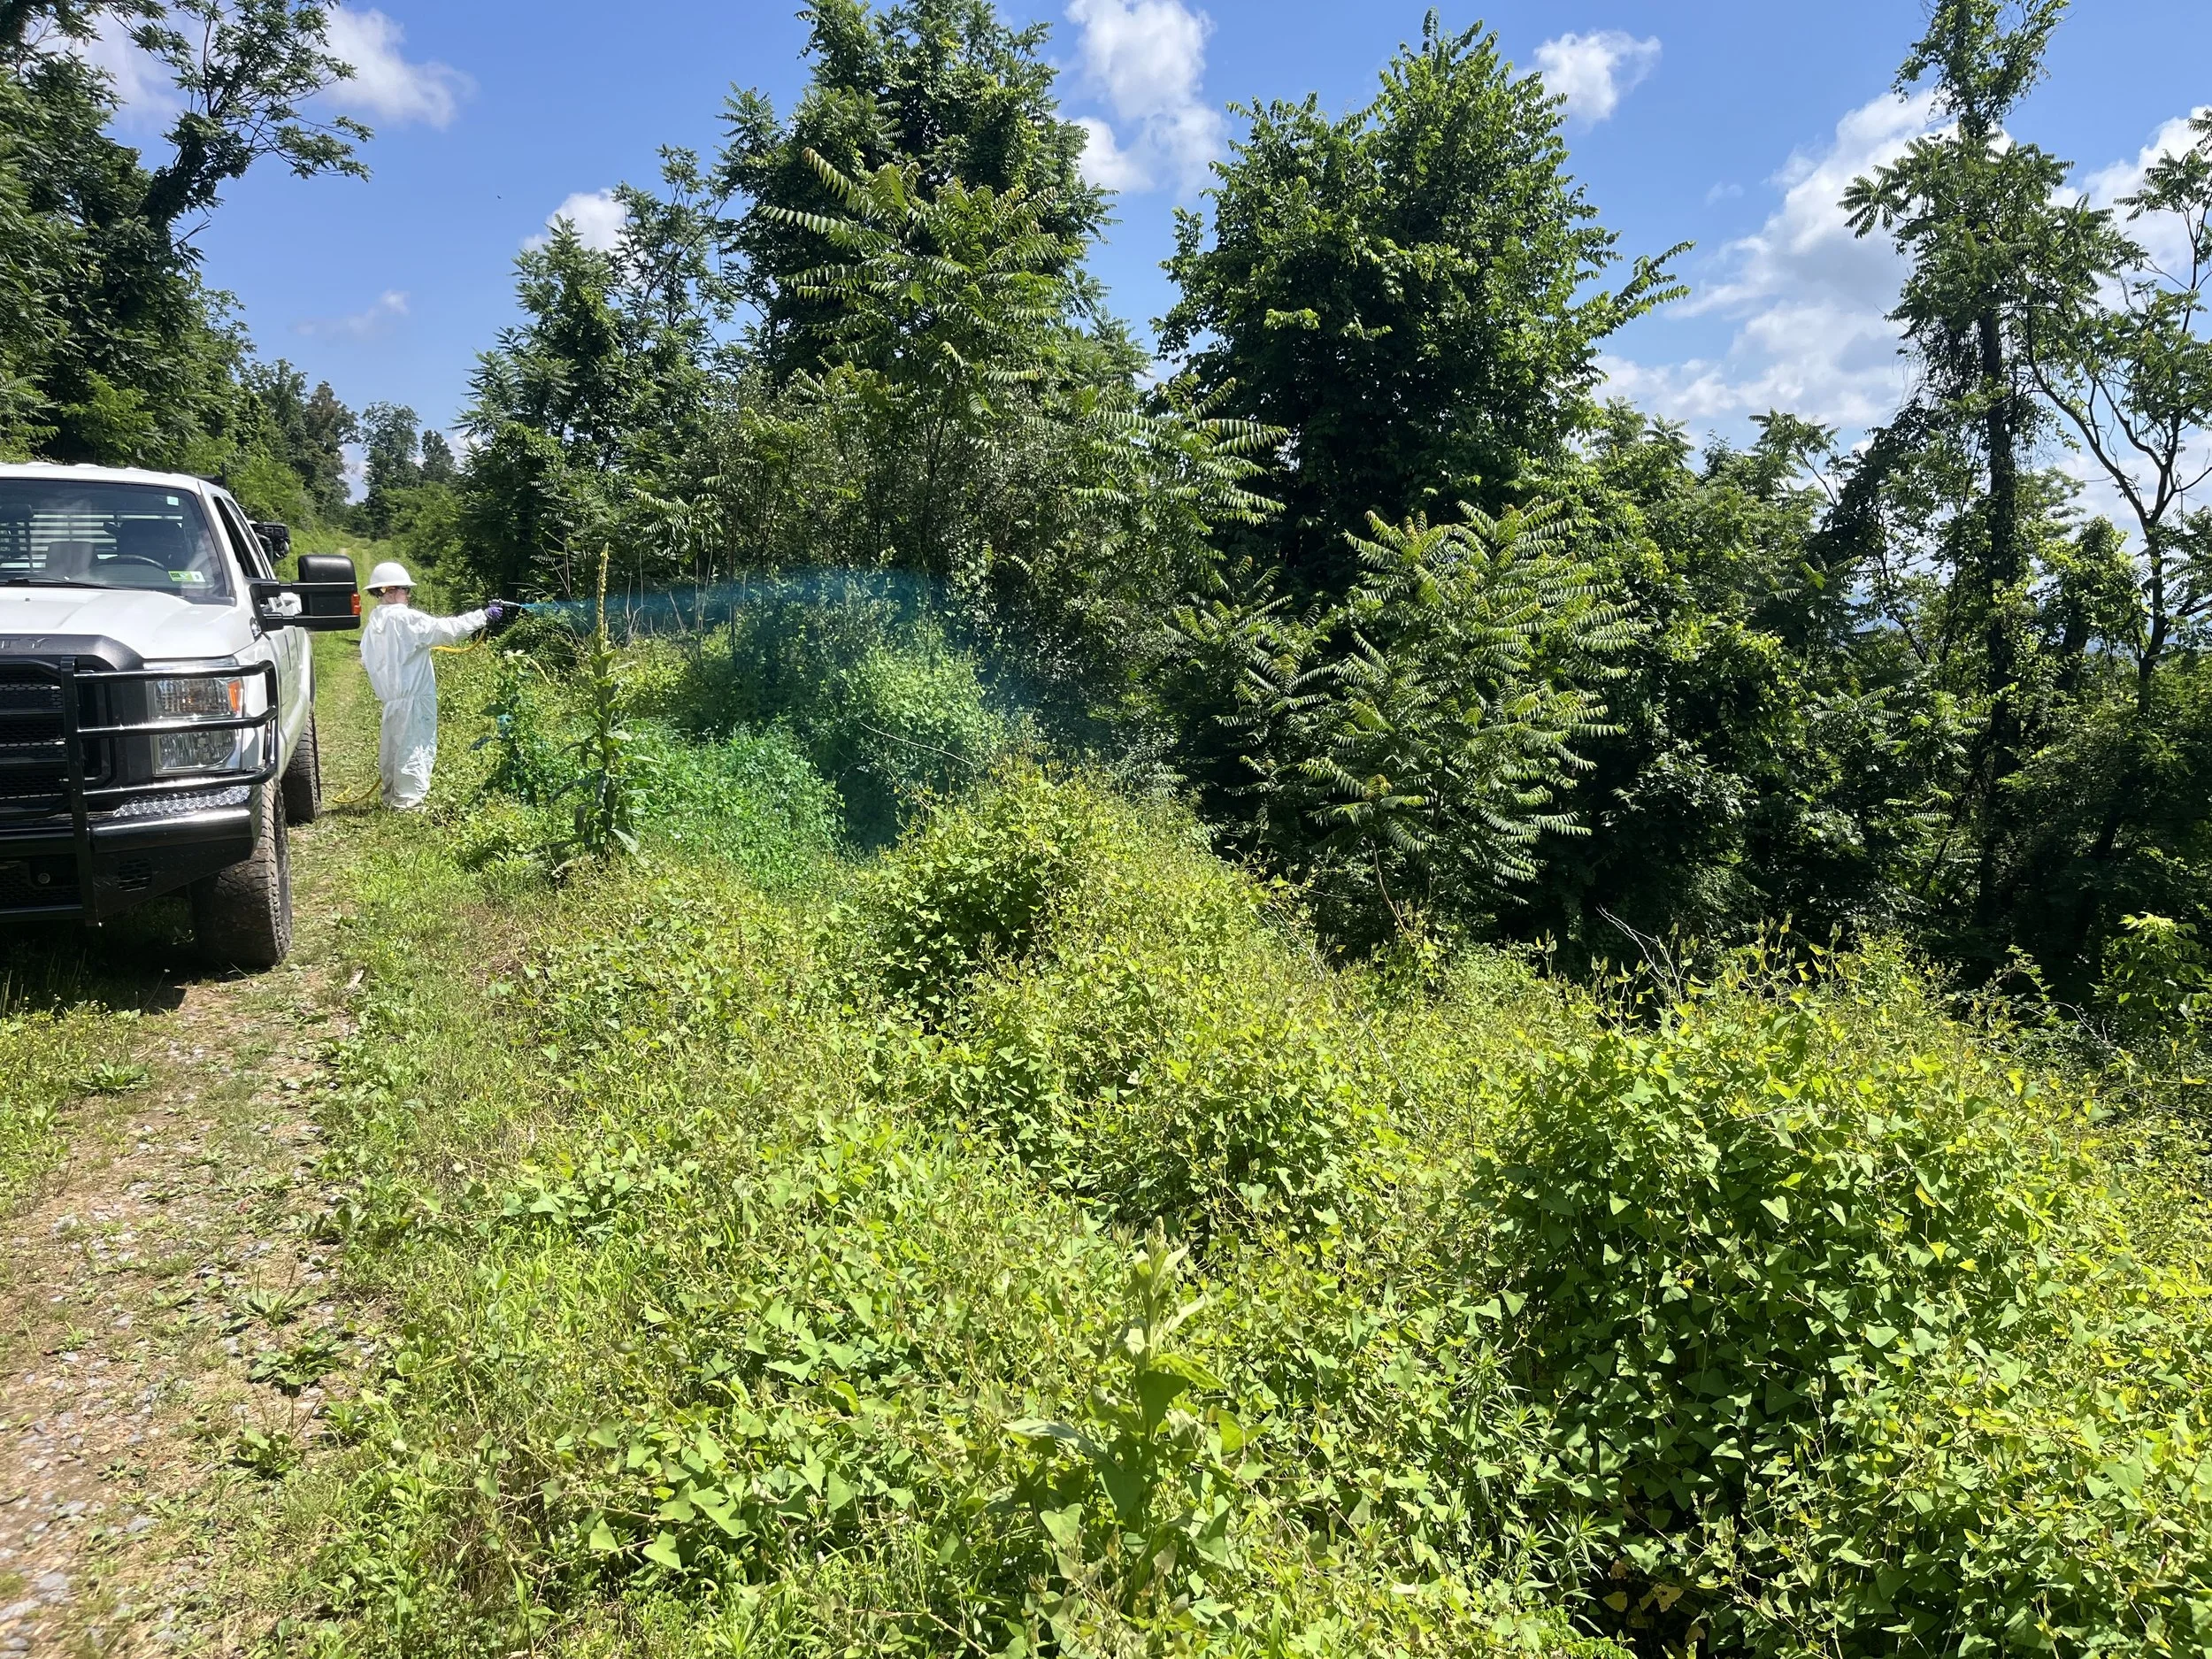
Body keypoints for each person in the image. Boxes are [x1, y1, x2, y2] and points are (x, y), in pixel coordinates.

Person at [358, 561, 506, 810]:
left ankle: (392, 798)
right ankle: (408, 805)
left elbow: (369, 661)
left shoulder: (374, 625)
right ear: (389, 590)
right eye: (405, 589)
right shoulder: (405, 619)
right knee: (414, 749)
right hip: (414, 698)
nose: (408, 595)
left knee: (393, 749)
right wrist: (482, 616)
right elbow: (446, 630)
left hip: (391, 700)